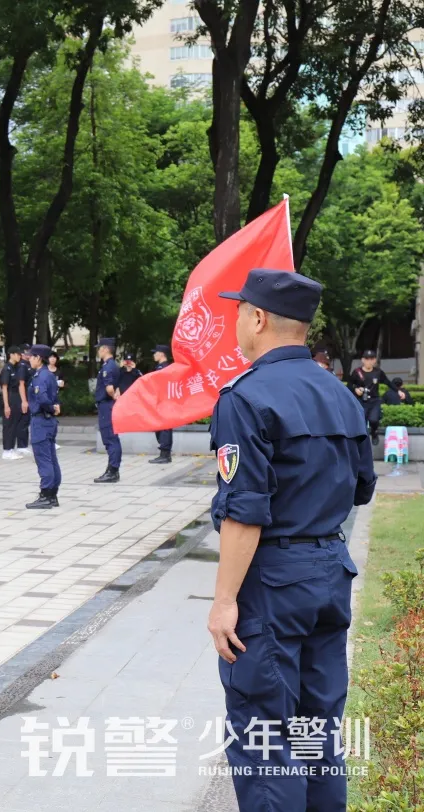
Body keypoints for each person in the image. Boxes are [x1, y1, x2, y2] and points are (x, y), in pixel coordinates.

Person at [208, 268, 375, 812]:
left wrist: (224, 601)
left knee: (264, 736)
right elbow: (363, 488)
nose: (236, 322)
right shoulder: (341, 395)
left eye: (238, 312)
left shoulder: (245, 397)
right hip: (329, 570)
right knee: (317, 729)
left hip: (273, 583)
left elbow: (244, 513)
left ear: (257, 319)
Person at [25, 344, 61, 509]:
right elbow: (55, 396)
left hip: (41, 420)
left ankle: (46, 494)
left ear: (38, 358)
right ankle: (52, 494)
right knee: (51, 458)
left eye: (31, 357)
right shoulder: (49, 374)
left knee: (43, 459)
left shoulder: (40, 376)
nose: (29, 359)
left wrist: (51, 408)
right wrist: (55, 407)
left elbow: (44, 399)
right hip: (49, 422)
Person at [93, 337, 122, 483]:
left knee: (110, 438)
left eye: (99, 348)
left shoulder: (108, 367)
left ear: (105, 349)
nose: (98, 351)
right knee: (111, 438)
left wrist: (113, 396)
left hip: (106, 405)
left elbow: (110, 388)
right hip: (107, 405)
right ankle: (112, 469)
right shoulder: (112, 365)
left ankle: (113, 471)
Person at [348, 350, 391, 445]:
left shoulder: (378, 372)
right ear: (362, 360)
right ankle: (363, 444)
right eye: (367, 359)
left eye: (371, 359)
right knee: (362, 422)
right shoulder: (357, 372)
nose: (369, 361)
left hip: (375, 400)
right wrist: (356, 389)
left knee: (374, 419)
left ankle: (374, 432)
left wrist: (398, 391)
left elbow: (388, 383)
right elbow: (349, 386)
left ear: (375, 360)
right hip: (361, 401)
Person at [147, 344, 174, 465]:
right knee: (160, 428)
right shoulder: (160, 367)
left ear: (161, 354)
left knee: (165, 428)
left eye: (155, 352)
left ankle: (165, 454)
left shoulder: (166, 368)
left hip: (165, 401)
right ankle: (164, 453)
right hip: (160, 401)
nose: (154, 355)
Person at [0, 346, 28, 460]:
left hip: (16, 397)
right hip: (10, 397)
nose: (19, 356)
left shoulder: (15, 368)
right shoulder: (6, 368)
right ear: (11, 354)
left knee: (14, 423)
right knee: (9, 424)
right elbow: (4, 388)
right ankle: (7, 450)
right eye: (17, 354)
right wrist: (6, 405)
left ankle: (11, 448)